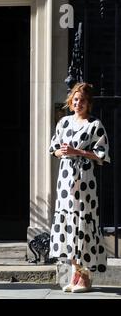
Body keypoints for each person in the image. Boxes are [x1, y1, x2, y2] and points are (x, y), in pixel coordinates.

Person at [49, 82, 110, 293]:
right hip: (65, 180)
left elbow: (102, 154)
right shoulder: (64, 123)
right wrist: (63, 152)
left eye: (82, 100)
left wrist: (79, 152)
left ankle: (85, 276)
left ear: (89, 103)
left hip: (84, 180)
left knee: (83, 223)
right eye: (75, 99)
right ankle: (75, 273)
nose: (78, 103)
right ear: (71, 101)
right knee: (68, 224)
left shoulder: (95, 125)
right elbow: (53, 149)